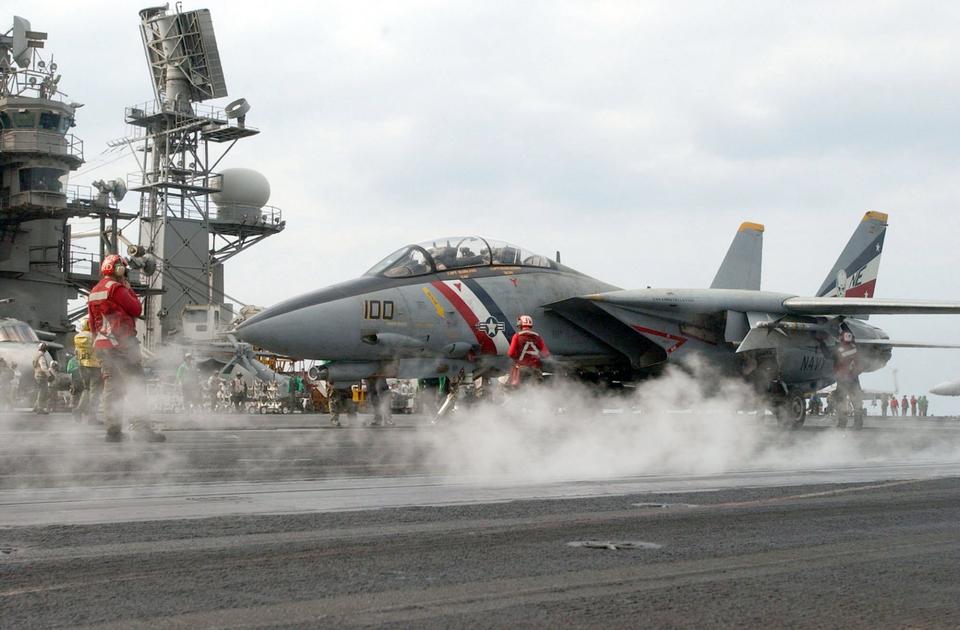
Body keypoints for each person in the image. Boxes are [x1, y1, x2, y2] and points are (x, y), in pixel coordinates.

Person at [88, 254, 164, 442]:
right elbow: (136, 309)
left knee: (112, 387)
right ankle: (142, 429)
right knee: (135, 383)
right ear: (119, 269)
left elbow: (91, 323)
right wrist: (129, 289)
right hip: (122, 343)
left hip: (102, 344)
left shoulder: (95, 290)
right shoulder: (116, 288)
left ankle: (113, 431)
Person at [507, 314, 551, 387]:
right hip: (535, 369)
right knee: (537, 389)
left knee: (516, 389)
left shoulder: (517, 336)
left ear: (521, 324)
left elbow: (510, 353)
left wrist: (517, 358)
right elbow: (546, 354)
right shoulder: (537, 336)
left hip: (521, 368)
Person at [73, 319, 102, 424]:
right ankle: (92, 417)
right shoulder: (94, 336)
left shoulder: (77, 337)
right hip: (95, 366)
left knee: (86, 389)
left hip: (82, 365)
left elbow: (76, 352)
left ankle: (79, 410)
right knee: (95, 392)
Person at [32, 342, 53, 414]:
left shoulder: (37, 355)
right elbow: (43, 367)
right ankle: (40, 408)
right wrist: (49, 375)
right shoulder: (41, 356)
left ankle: (36, 407)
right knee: (43, 392)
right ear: (45, 349)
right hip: (41, 376)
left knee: (40, 391)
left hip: (37, 375)